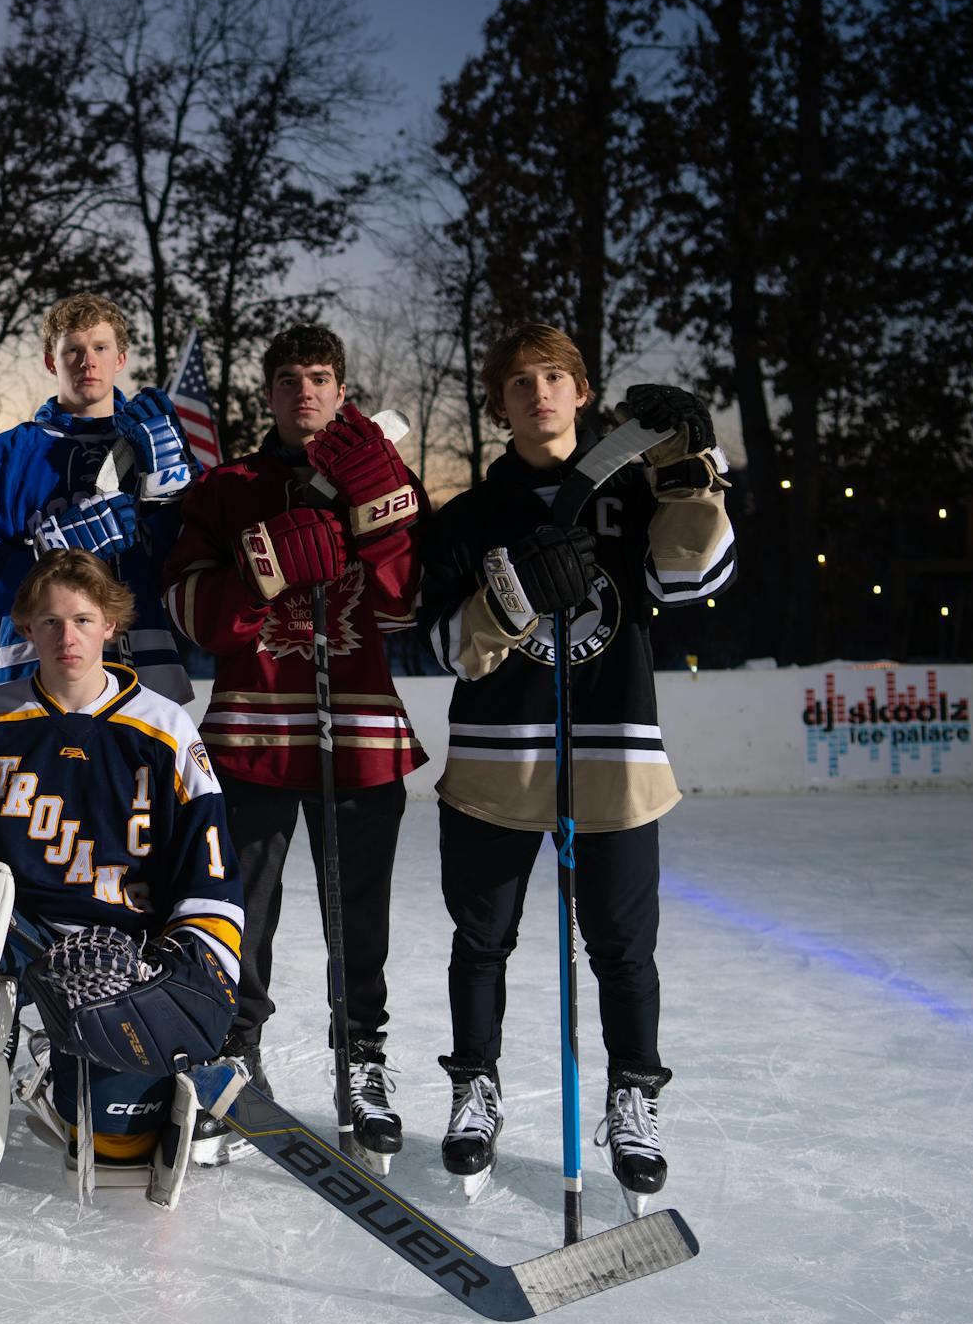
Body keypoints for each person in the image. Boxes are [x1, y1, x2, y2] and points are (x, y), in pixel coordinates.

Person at [416, 322, 734, 1206]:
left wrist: (687, 468)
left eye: (556, 377)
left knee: (625, 952)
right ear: (499, 403)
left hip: (615, 760)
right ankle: (473, 1088)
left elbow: (690, 580)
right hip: (493, 768)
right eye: (521, 383)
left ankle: (634, 1097)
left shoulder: (634, 495)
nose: (541, 394)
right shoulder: (472, 517)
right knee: (480, 943)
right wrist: (514, 595)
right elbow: (448, 646)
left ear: (584, 392)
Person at [161, 323, 427, 1169]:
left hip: (359, 735)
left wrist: (377, 512)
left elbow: (405, 603)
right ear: (267, 393)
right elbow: (196, 616)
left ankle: (363, 1063)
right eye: (287, 379)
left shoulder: (380, 471)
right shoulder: (226, 486)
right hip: (252, 736)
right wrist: (265, 565)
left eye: (319, 377)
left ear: (341, 389)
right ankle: (237, 1057)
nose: (304, 392)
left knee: (360, 919)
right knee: (246, 917)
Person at [0, 550, 242, 1182]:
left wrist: (188, 964)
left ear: (111, 626)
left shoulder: (166, 729)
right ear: (25, 629)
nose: (66, 637)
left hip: (118, 950)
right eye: (49, 622)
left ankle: (69, 1066)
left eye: (82, 619)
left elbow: (208, 867)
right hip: (6, 932)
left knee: (114, 1151)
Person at [0, 292, 194, 700]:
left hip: (143, 678)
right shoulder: (8, 454)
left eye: (100, 348)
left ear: (120, 359)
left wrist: (171, 485)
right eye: (73, 349)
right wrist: (52, 550)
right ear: (52, 361)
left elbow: (191, 568)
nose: (87, 361)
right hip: (32, 677)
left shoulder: (157, 443)